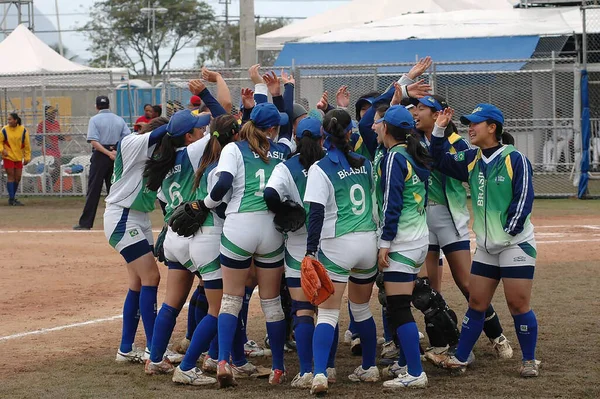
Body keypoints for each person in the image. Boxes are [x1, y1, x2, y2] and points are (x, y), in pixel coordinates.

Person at [430, 104, 539, 378]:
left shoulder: (516, 159)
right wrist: (439, 128)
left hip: (515, 244)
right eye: (469, 123)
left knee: (517, 304)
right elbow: (439, 160)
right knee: (477, 302)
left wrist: (508, 233)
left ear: (493, 127)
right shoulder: (472, 158)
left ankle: (529, 360)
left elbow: (523, 199)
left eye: (476, 123)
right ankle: (462, 357)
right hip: (486, 249)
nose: (471, 127)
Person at [195, 101, 293, 388]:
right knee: (272, 303)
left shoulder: (233, 148)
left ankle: (224, 361)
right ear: (272, 128)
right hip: (271, 228)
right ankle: (277, 368)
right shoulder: (282, 150)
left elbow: (223, 182)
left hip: (239, 226)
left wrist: (206, 203)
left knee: (231, 299)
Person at [414, 94, 511, 364]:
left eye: (422, 108)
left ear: (438, 115)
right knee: (429, 288)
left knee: (467, 284)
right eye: (415, 107)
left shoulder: (456, 143)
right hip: (422, 218)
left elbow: (448, 166)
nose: (416, 112)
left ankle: (497, 336)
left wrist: (439, 136)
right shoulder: (412, 141)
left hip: (448, 217)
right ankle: (441, 342)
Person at [143, 80, 230, 380]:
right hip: (200, 233)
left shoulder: (164, 162)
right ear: (189, 136)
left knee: (172, 303)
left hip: (174, 237)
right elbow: (223, 118)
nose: (203, 129)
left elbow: (165, 203)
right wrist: (212, 90)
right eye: (197, 128)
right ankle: (202, 361)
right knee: (220, 303)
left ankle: (154, 358)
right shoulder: (193, 152)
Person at [304, 109, 379, 395]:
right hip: (367, 242)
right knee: (361, 309)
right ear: (350, 134)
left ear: (324, 136)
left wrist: (311, 251)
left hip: (338, 244)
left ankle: (321, 373)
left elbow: (316, 214)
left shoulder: (320, 168)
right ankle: (369, 367)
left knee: (326, 315)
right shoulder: (365, 164)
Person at [170, 115, 249, 385]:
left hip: (203, 239)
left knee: (225, 305)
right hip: (211, 238)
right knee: (219, 309)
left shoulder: (209, 161)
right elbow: (223, 206)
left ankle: (225, 358)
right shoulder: (221, 165)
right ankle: (188, 366)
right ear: (236, 136)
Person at [263, 117, 326, 388]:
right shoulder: (331, 162)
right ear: (323, 138)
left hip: (300, 244)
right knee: (326, 312)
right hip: (330, 242)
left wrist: (286, 209)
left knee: (302, 310)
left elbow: (269, 195)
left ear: (297, 139)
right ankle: (329, 367)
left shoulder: (285, 166)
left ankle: (307, 370)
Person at [104, 115, 169, 364]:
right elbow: (166, 131)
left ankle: (126, 349)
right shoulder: (132, 142)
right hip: (122, 216)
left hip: (139, 218)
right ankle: (154, 350)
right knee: (151, 277)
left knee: (138, 282)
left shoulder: (155, 159)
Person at [376, 105, 432, 389]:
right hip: (419, 240)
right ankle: (408, 362)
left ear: (386, 128)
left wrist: (384, 242)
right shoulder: (413, 152)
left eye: (379, 124)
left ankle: (415, 371)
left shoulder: (394, 157)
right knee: (401, 304)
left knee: (398, 307)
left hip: (402, 242)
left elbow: (392, 203)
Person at [74, 96, 130, 230]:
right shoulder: (119, 119)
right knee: (115, 190)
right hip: (115, 155)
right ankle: (119, 222)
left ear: (97, 106)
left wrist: (107, 152)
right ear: (109, 105)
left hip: (100, 155)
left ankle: (86, 223)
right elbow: (127, 137)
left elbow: (93, 141)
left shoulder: (94, 120)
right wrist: (115, 151)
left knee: (94, 190)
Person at [1, 112, 30, 206]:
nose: (8, 121)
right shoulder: (4, 130)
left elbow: (27, 145)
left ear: (15, 120)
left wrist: (27, 157)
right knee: (11, 176)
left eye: (10, 119)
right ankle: (12, 199)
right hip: (8, 156)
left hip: (18, 157)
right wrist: (2, 150)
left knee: (18, 178)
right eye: (8, 119)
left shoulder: (23, 130)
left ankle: (12, 197)